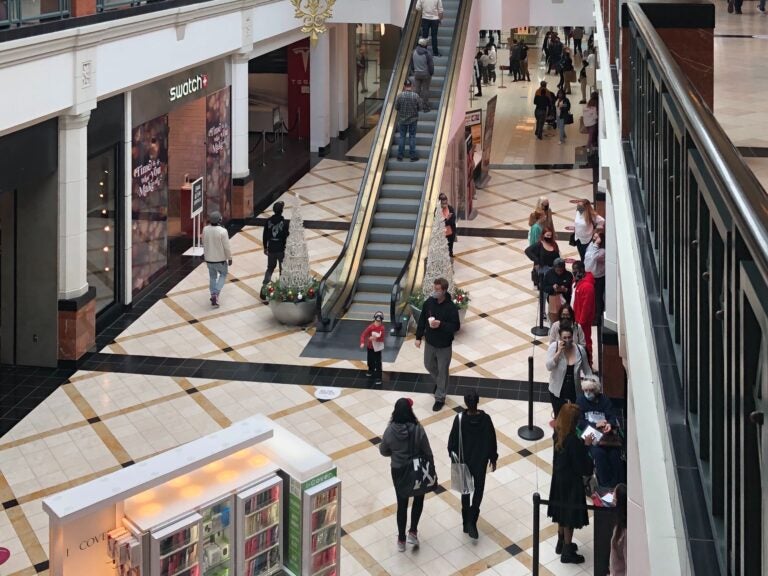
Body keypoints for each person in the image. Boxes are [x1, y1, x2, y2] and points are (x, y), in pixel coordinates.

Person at [380, 398, 434, 551]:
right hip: (417, 469)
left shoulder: (390, 431)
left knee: (402, 504)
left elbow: (383, 450)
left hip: (399, 470)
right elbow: (427, 450)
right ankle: (413, 532)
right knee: (418, 498)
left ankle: (401, 540)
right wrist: (430, 466)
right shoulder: (418, 428)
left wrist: (396, 454)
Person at [447, 392, 498, 540]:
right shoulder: (486, 419)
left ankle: (466, 522)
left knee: (465, 491)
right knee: (479, 489)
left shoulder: (460, 419)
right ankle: (472, 519)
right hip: (480, 462)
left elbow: (452, 443)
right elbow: (491, 439)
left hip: (464, 461)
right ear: (478, 402)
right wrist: (493, 458)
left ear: (465, 402)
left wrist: (453, 456)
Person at [548, 403, 593, 564]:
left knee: (561, 513)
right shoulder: (573, 441)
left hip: (559, 479)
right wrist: (586, 447)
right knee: (569, 518)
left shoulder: (558, 433)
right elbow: (582, 467)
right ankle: (567, 550)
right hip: (571, 484)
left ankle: (561, 542)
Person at [415, 277, 460, 411]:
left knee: (443, 370)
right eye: (434, 288)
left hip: (444, 345)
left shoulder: (451, 307)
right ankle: (440, 383)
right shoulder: (429, 303)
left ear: (444, 290)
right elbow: (422, 319)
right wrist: (418, 337)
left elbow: (456, 326)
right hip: (430, 342)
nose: (434, 291)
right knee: (428, 365)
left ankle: (440, 396)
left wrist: (441, 324)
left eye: (437, 289)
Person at [577, 377, 623, 488]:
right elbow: (580, 422)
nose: (588, 393)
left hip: (607, 436)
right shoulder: (580, 401)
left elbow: (611, 416)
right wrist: (595, 425)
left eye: (591, 390)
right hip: (591, 435)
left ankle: (618, 484)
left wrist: (609, 424)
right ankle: (605, 485)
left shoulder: (604, 400)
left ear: (596, 390)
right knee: (599, 455)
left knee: (615, 455)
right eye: (586, 390)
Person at [546, 324, 592, 416]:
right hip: (557, 390)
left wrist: (591, 386)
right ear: (560, 338)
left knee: (573, 417)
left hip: (574, 390)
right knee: (559, 418)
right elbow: (549, 366)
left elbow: (587, 370)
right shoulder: (554, 347)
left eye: (569, 337)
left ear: (573, 336)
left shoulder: (580, 349)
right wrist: (558, 352)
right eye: (564, 338)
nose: (567, 340)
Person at [202, 211, 232, 308]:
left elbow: (204, 243)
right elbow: (226, 247)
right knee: (223, 274)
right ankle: (216, 293)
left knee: (212, 277)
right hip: (220, 260)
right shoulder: (223, 231)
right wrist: (229, 258)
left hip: (209, 259)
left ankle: (212, 294)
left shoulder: (205, 229)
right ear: (220, 220)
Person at [572, 261, 596, 364]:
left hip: (582, 322)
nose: (574, 274)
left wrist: (581, 323)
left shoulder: (587, 287)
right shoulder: (578, 281)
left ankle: (588, 364)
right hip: (575, 318)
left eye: (576, 271)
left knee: (585, 342)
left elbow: (586, 307)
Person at [262, 201, 289, 288]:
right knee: (283, 269)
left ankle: (264, 287)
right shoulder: (284, 223)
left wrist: (265, 247)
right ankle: (282, 288)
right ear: (281, 211)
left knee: (270, 268)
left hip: (271, 249)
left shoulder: (268, 221)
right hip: (281, 249)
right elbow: (287, 236)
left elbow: (265, 235)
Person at [395, 79, 422, 162]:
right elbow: (420, 108)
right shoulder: (416, 96)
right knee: (412, 137)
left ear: (404, 86)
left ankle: (400, 156)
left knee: (402, 137)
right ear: (411, 86)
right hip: (413, 120)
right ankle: (412, 156)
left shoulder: (400, 96)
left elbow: (396, 107)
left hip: (402, 120)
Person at [542, 258, 574, 324]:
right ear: (554, 268)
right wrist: (552, 287)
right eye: (557, 270)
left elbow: (572, 290)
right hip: (553, 301)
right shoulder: (549, 274)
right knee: (554, 321)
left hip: (565, 302)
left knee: (565, 320)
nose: (559, 272)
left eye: (561, 270)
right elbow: (544, 287)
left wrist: (565, 289)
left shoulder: (569, 275)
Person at [584, 231, 605, 324]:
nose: (594, 239)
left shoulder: (603, 251)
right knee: (591, 297)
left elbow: (594, 257)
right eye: (594, 237)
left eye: (597, 238)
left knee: (597, 297)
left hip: (598, 278)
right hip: (588, 276)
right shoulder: (591, 245)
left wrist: (596, 244)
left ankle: (597, 317)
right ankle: (591, 314)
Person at [359, 311, 385, 385]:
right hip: (370, 347)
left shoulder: (382, 328)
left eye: (379, 321)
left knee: (378, 363)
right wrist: (362, 342)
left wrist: (375, 339)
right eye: (376, 321)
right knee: (370, 360)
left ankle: (379, 377)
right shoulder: (371, 327)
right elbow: (363, 335)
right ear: (374, 320)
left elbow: (382, 339)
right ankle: (370, 370)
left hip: (377, 348)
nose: (378, 323)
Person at [412, 37, 435, 112]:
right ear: (425, 45)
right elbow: (431, 65)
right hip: (425, 74)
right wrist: (431, 73)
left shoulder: (414, 52)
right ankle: (425, 107)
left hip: (417, 73)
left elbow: (412, 64)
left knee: (417, 90)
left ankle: (415, 106)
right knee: (425, 90)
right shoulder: (427, 54)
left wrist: (414, 71)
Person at [610, 483, 628, 576]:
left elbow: (628, 563)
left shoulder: (626, 534)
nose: (612, 499)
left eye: (614, 496)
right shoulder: (619, 525)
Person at [438, 193, 457, 257]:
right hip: (441, 231)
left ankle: (450, 253)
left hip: (450, 230)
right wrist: (447, 219)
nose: (444, 205)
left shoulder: (450, 208)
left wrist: (446, 220)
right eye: (443, 204)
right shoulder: (437, 211)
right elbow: (438, 222)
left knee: (450, 244)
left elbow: (453, 219)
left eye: (445, 203)